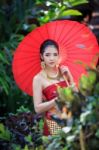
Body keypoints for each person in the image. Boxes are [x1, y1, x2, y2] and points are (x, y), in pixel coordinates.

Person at [32, 39, 77, 135]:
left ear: (58, 55)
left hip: (71, 118)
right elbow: (37, 108)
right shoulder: (38, 79)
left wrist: (70, 77)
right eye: (47, 55)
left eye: (55, 54)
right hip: (54, 123)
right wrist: (57, 100)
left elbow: (77, 96)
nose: (52, 58)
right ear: (41, 56)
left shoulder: (64, 72)